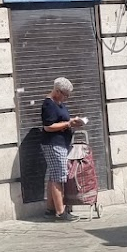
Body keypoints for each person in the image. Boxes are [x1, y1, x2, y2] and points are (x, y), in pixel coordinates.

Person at [40, 77, 84, 220]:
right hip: (54, 144)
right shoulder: (49, 105)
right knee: (58, 177)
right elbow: (48, 126)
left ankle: (50, 210)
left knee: (54, 176)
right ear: (57, 91)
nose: (67, 97)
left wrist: (73, 123)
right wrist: (68, 124)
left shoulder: (58, 103)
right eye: (65, 94)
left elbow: (63, 121)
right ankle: (60, 212)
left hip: (61, 143)